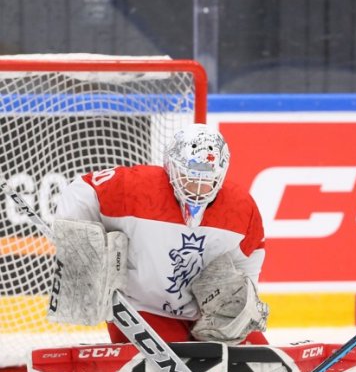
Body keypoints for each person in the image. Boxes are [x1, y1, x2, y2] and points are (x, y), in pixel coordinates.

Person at [48, 123, 269, 347]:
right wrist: (77, 246)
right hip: (143, 309)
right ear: (171, 166)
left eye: (208, 179)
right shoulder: (135, 188)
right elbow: (81, 190)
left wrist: (241, 300)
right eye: (190, 176)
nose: (198, 187)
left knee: (264, 365)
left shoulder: (240, 207)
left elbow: (251, 251)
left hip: (206, 313)